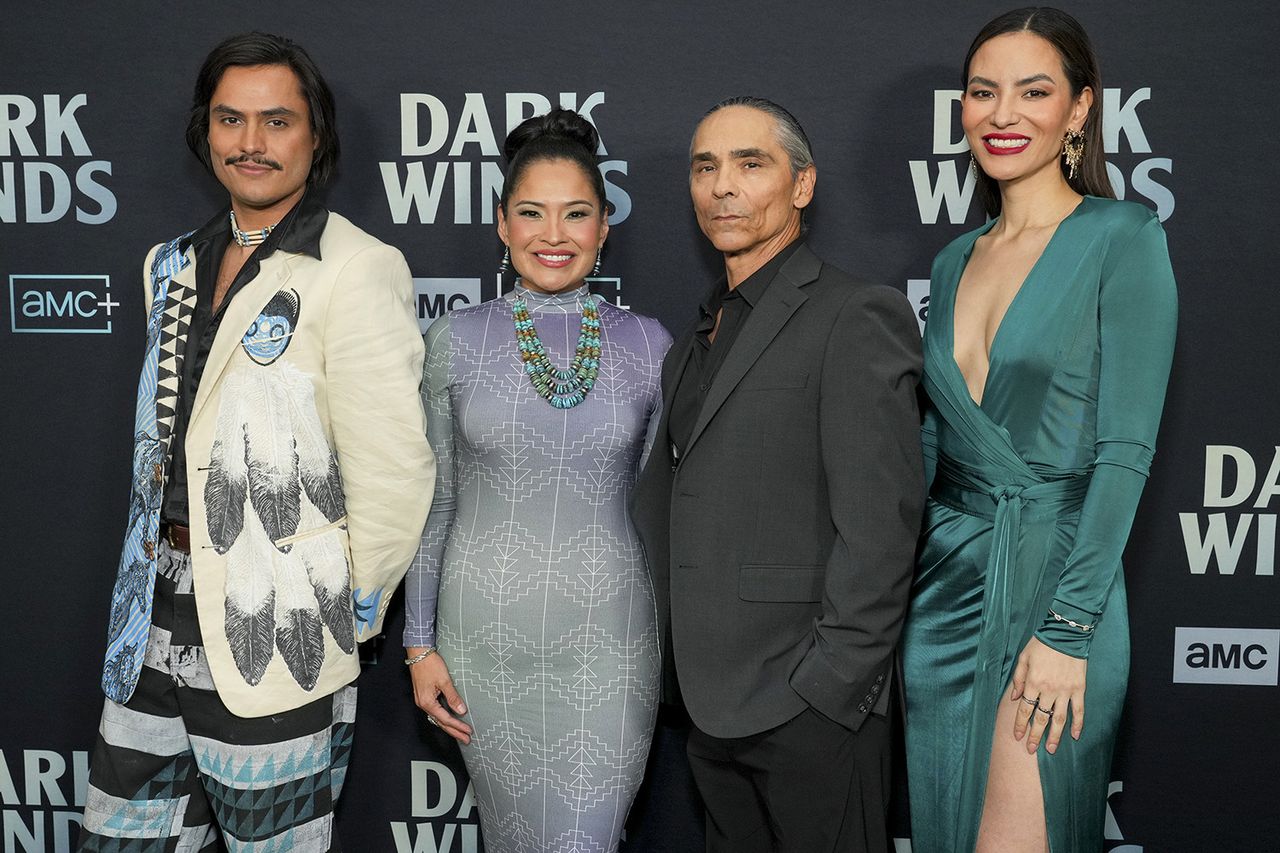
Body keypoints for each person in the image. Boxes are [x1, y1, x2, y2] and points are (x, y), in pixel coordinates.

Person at [79, 32, 434, 851]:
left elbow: (395, 474)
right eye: (231, 120)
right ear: (206, 132)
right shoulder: (167, 263)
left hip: (278, 634)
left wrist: (327, 607)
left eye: (277, 121)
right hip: (149, 628)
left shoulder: (356, 266)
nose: (251, 142)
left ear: (317, 135)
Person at [900, 8, 1178, 853]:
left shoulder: (1121, 237)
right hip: (940, 591)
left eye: (1034, 90)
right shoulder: (953, 260)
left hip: (1056, 585)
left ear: (1080, 109)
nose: (1003, 113)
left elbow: (1124, 454)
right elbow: (931, 448)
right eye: (983, 92)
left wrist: (1067, 631)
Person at [631, 96, 925, 853]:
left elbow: (882, 520)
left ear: (802, 186)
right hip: (709, 706)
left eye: (749, 163)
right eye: (705, 167)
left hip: (809, 707)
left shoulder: (856, 314)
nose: (722, 186)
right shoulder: (693, 339)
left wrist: (830, 689)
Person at [402, 108, 670, 853]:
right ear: (501, 223)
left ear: (604, 225)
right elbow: (438, 501)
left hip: (611, 642)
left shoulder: (648, 344)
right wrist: (419, 645)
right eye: (532, 213)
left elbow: (657, 508)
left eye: (576, 214)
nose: (554, 235)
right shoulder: (454, 339)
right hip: (482, 639)